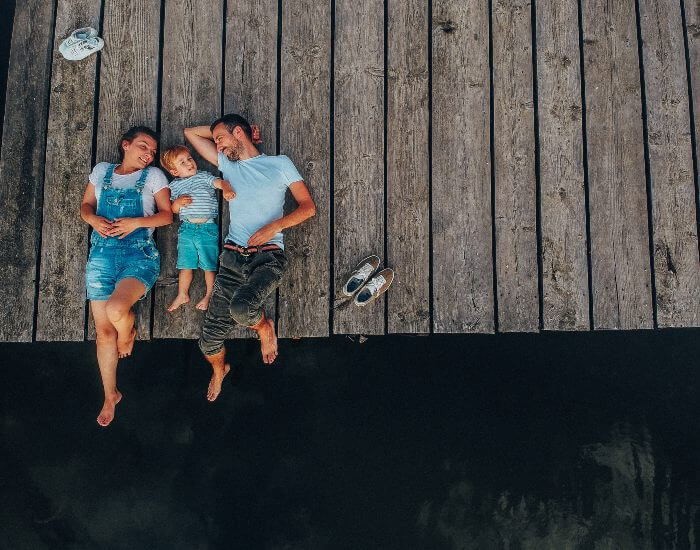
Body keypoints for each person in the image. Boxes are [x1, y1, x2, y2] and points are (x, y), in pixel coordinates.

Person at [184, 114, 316, 401]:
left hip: (267, 257)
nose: (216, 145)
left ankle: (263, 327)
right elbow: (190, 134)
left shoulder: (279, 164)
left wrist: (275, 226)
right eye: (216, 140)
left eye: (220, 138)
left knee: (243, 309)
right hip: (232, 258)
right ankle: (220, 370)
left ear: (239, 133)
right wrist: (219, 129)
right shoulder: (228, 166)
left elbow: (308, 207)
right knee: (208, 344)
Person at [80, 126, 173, 427]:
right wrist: (93, 219)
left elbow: (166, 216)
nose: (148, 155)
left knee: (116, 310)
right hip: (101, 257)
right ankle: (110, 394)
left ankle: (128, 331)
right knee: (103, 333)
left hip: (138, 255)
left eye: (152, 152)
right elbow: (86, 206)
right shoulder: (102, 172)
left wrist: (135, 222)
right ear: (125, 145)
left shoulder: (155, 177)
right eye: (143, 147)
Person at [160, 144, 235, 311]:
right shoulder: (174, 186)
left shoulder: (204, 177)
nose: (189, 163)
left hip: (207, 228)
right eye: (182, 162)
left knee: (209, 265)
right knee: (185, 264)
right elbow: (172, 209)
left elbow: (220, 182)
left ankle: (209, 294)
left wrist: (227, 188)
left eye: (190, 158)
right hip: (186, 229)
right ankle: (182, 294)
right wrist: (177, 203)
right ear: (174, 172)